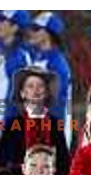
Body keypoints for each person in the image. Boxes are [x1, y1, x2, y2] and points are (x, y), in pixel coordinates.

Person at [0, 67, 70, 175]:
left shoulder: (55, 124)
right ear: (22, 93)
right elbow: (1, 157)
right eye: (30, 86)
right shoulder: (13, 123)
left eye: (40, 86)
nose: (36, 90)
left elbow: (63, 160)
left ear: (46, 92)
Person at [0, 11, 32, 175]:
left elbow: (19, 97)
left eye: (3, 21)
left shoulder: (19, 56)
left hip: (5, 131)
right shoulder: (0, 53)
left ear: (15, 27)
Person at [28, 12, 73, 146]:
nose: (31, 32)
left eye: (36, 29)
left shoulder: (57, 64)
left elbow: (56, 103)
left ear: (48, 34)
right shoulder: (37, 59)